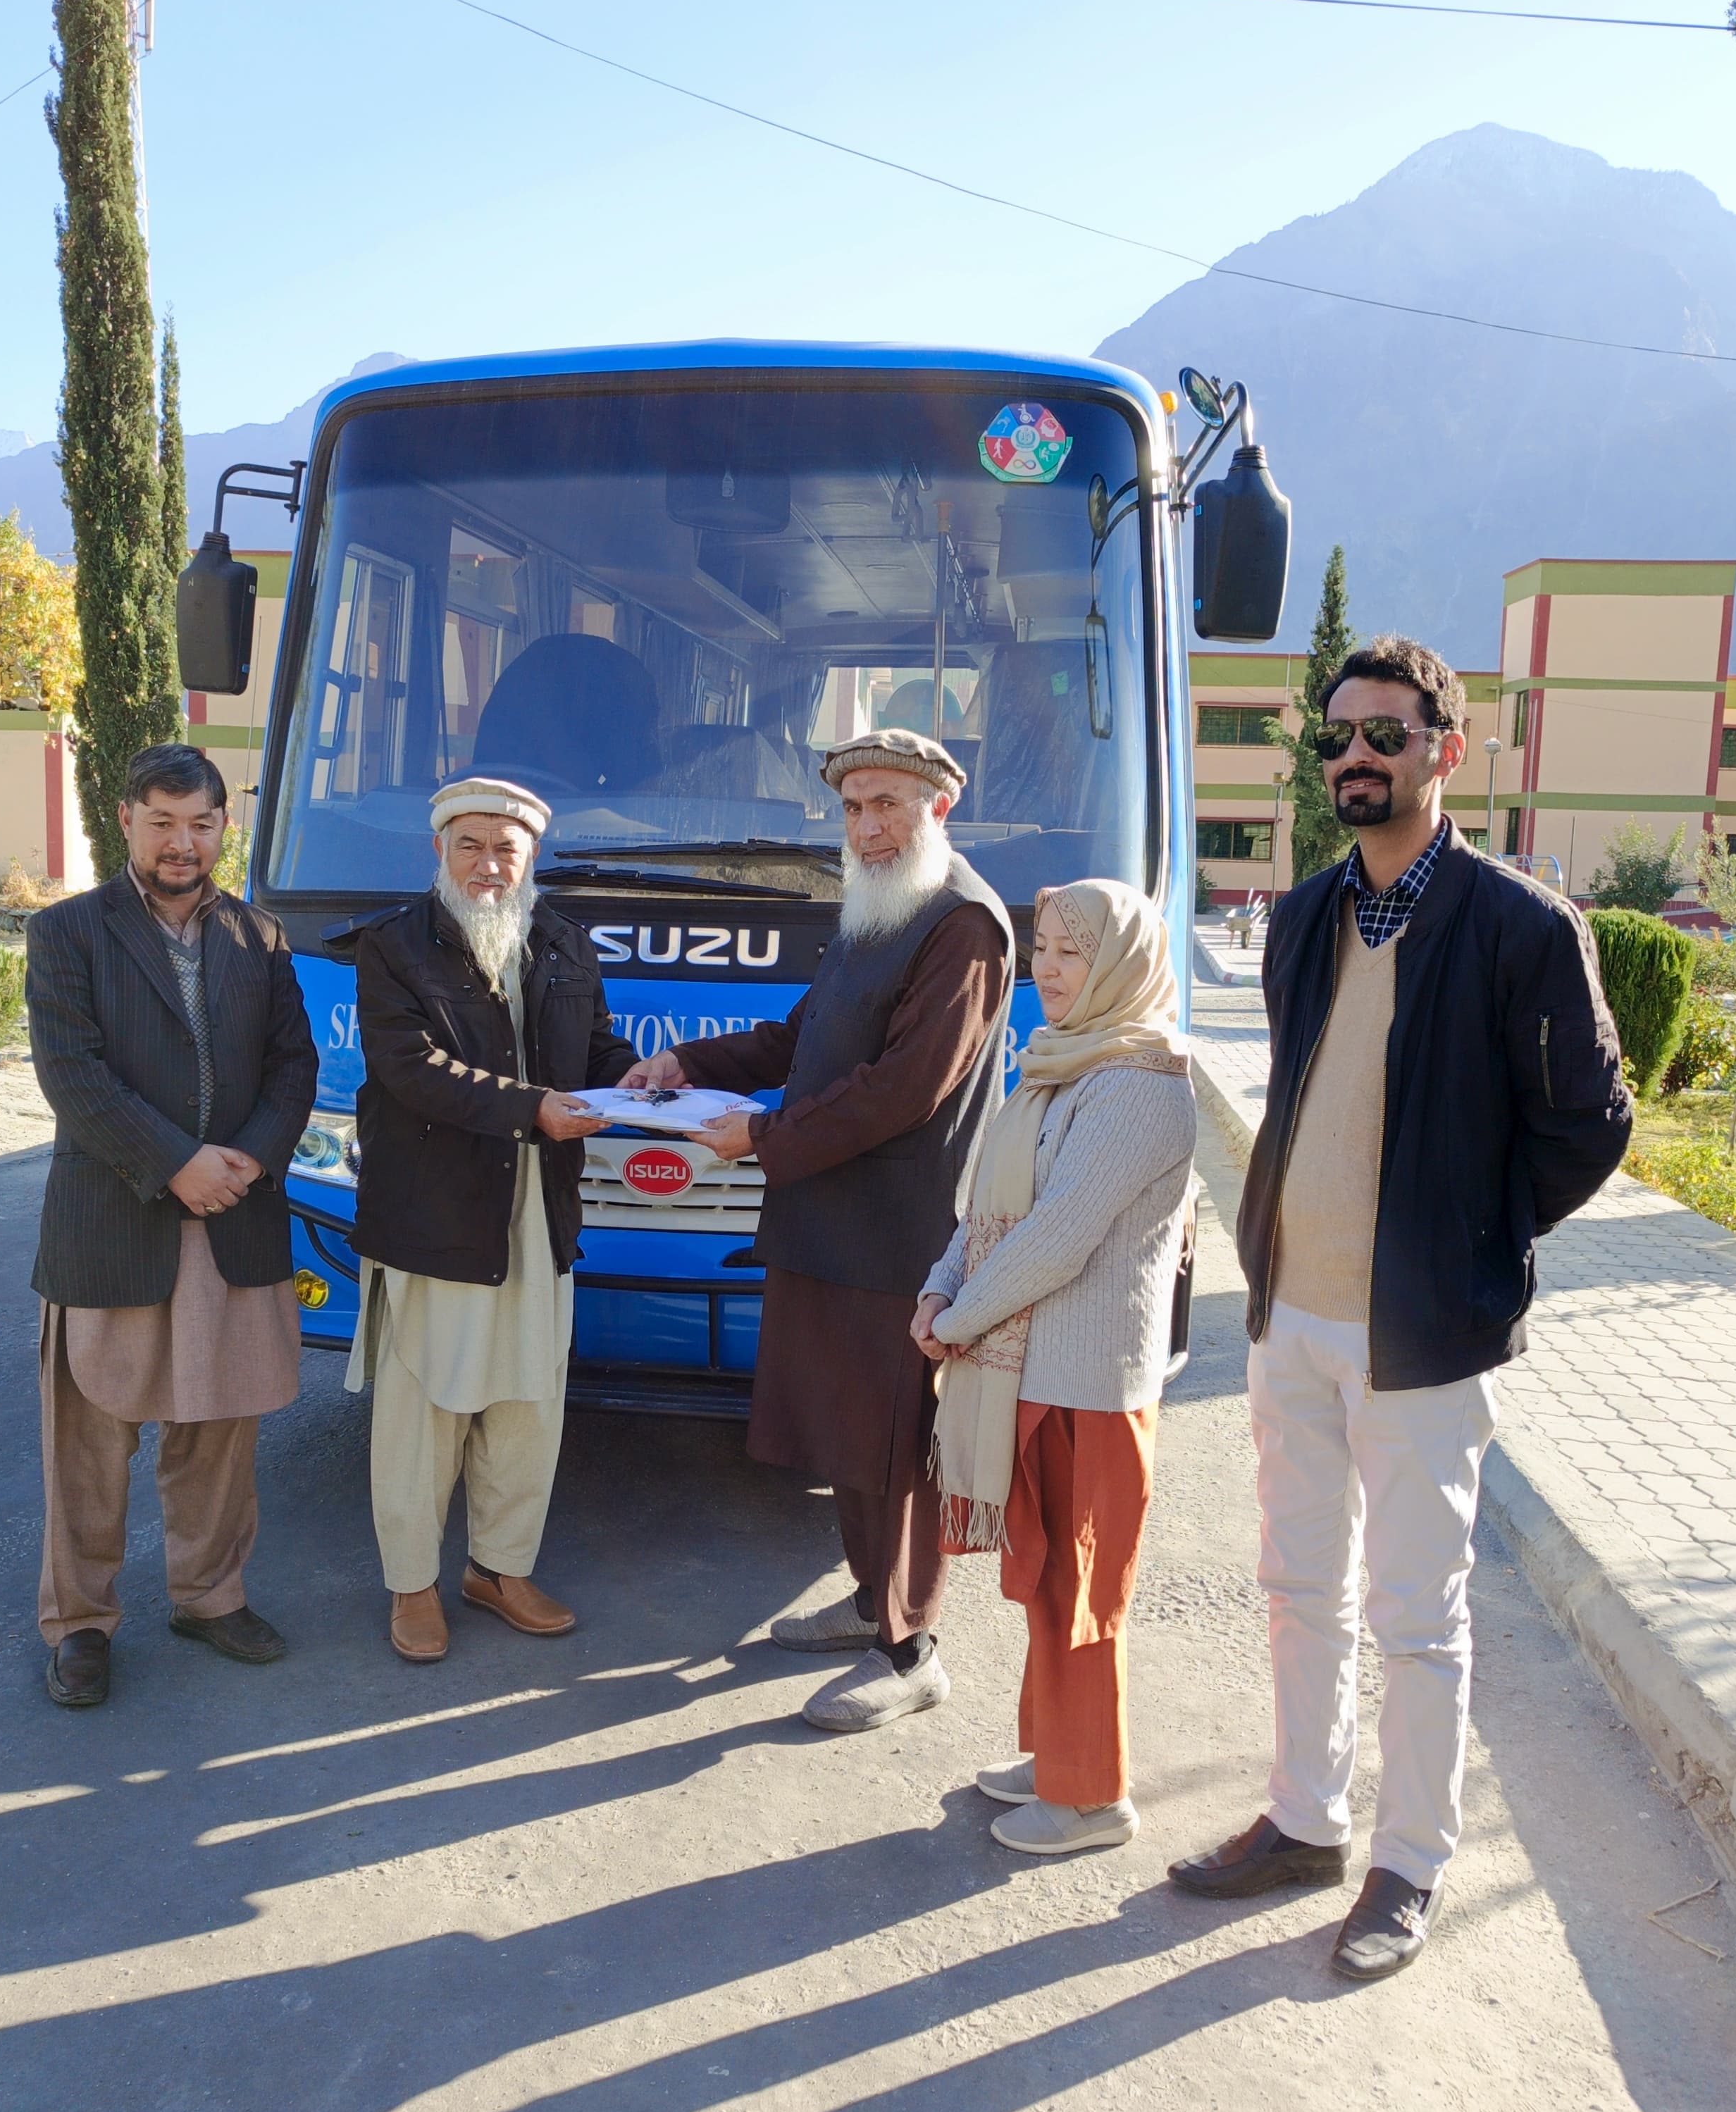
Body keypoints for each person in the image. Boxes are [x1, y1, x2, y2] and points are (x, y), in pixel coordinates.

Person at [1168, 636, 1630, 1979]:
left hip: (1423, 1336)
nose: (1355, 755)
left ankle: (1407, 1862)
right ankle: (1307, 1822)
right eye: (1338, 736)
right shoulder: (1308, 913)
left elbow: (1589, 1125)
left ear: (1448, 746)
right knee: (1296, 1584)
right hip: (1291, 1316)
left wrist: (1473, 1240)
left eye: (1386, 731)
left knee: (1417, 1614)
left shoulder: (1523, 927)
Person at [626, 728, 1012, 1732]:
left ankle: (913, 1649)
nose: (868, 827)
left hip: (897, 1236)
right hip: (832, 1222)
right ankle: (865, 1605)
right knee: (850, 1438)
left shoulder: (961, 924)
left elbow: (900, 1092)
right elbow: (804, 1039)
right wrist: (689, 1066)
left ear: (939, 808)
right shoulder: (880, 911)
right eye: (853, 808)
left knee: (894, 1445)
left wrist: (759, 1133)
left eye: (888, 804)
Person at [26, 743, 318, 1708]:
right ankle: (80, 1623)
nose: (182, 843)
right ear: (125, 822)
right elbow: (72, 1075)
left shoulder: (260, 940)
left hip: (234, 1217)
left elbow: (294, 1068)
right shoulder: (67, 934)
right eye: (162, 823)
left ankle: (208, 1595)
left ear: (223, 825)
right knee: (90, 1444)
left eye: (200, 823)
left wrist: (250, 1158)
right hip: (114, 1221)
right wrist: (175, 1165)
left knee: (221, 1434)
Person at [914, 881, 1195, 1855]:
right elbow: (983, 1213)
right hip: (1030, 1366)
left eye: (1076, 952)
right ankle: (1055, 1757)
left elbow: (1057, 1239)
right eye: (1046, 949)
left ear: (1123, 964)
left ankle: (1092, 1798)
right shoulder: (1059, 1069)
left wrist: (959, 1317)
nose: (1049, 968)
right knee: (1043, 1578)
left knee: (1080, 1591)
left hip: (1086, 1385)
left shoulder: (1142, 1086)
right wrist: (937, 1287)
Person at [346, 779, 635, 1659]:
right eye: (470, 844)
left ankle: (499, 1569)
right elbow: (411, 1069)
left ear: (531, 857)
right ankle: (411, 1586)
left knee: (527, 1403)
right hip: (434, 1216)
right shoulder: (394, 947)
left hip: (537, 1213)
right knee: (424, 1409)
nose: (488, 864)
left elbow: (598, 1047)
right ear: (440, 850)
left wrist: (639, 1078)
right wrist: (535, 1109)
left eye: (505, 848)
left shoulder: (562, 942)